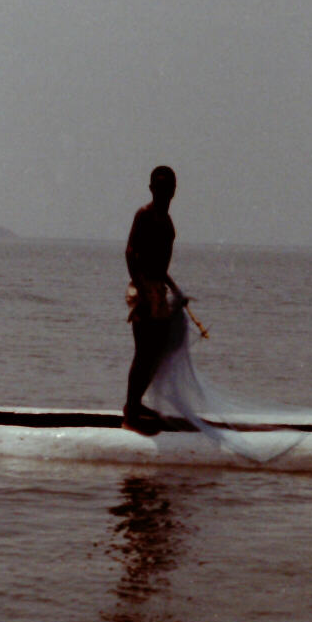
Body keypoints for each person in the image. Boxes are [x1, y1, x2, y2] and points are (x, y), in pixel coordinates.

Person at [123, 165, 187, 433]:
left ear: (173, 191)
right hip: (143, 289)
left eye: (168, 188)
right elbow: (130, 252)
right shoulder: (145, 215)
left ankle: (136, 403)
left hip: (158, 289)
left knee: (157, 351)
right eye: (158, 187)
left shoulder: (167, 221)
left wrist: (174, 289)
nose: (163, 192)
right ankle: (131, 410)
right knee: (144, 351)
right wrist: (141, 289)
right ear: (152, 189)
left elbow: (162, 267)